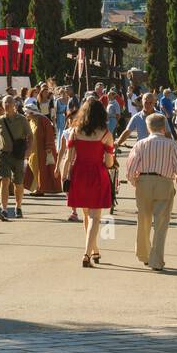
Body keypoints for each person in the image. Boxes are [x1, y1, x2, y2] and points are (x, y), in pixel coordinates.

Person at [124, 112, 177, 272]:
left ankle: (143, 254)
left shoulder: (140, 144)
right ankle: (156, 260)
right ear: (164, 127)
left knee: (143, 219)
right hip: (164, 182)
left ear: (148, 127)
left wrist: (134, 181)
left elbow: (130, 166)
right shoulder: (171, 144)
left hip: (144, 182)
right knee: (161, 223)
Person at [61, 98, 115, 266]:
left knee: (86, 215)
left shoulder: (74, 132)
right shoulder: (105, 134)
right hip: (97, 175)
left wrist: (64, 177)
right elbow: (108, 163)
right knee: (95, 217)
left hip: (79, 174)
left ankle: (94, 249)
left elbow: (68, 158)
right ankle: (86, 254)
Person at [0, 95, 33, 220]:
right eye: (5, 103)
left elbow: (30, 136)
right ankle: (4, 209)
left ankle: (18, 206)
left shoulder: (22, 119)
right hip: (3, 155)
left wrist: (28, 151)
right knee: (4, 180)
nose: (7, 105)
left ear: (14, 105)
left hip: (18, 155)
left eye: (10, 102)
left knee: (18, 183)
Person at [23, 97, 60, 196]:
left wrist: (48, 148)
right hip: (33, 151)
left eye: (27, 113)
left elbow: (49, 134)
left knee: (41, 170)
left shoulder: (44, 120)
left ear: (31, 113)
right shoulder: (31, 121)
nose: (25, 115)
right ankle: (36, 187)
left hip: (42, 151)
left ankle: (40, 188)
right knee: (33, 169)